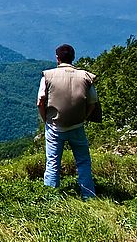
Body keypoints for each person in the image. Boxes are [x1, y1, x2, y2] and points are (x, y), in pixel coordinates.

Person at [36, 43, 98, 199]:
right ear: (73, 57)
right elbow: (92, 102)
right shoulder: (85, 76)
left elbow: (40, 101)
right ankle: (88, 196)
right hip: (77, 126)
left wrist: (46, 120)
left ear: (57, 58)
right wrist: (83, 117)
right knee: (83, 161)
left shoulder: (48, 76)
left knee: (52, 163)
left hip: (55, 127)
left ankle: (50, 198)